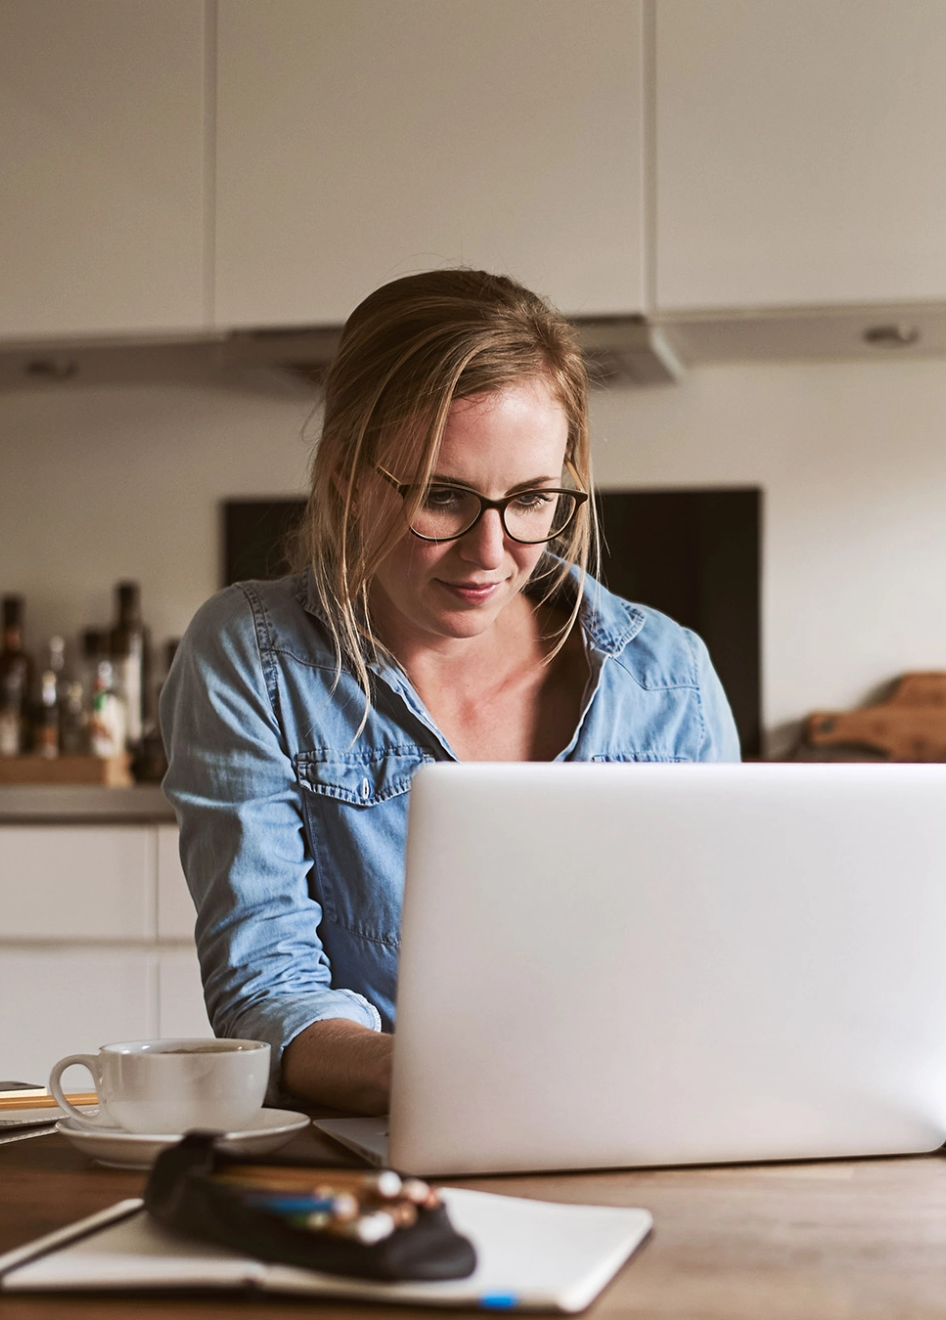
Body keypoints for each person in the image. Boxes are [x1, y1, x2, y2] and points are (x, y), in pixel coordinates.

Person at [160, 269, 740, 1114]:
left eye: (533, 500)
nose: (490, 554)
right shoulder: (253, 657)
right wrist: (433, 1075)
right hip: (385, 1157)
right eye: (443, 497)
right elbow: (266, 988)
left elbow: (716, 965)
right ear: (343, 477)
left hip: (639, 1124)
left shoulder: (668, 675)